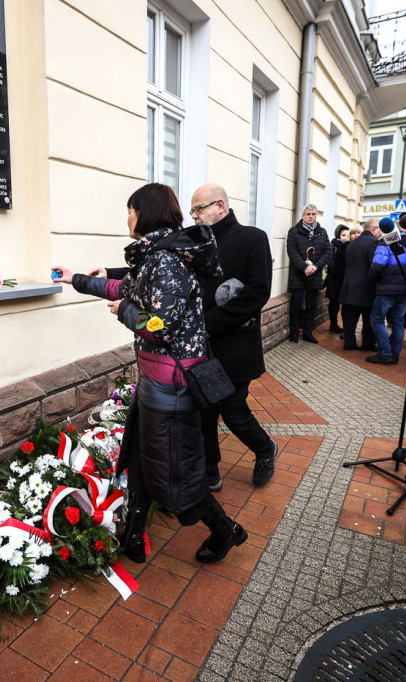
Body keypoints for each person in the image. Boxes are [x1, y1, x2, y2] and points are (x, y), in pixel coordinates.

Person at [52, 183, 247, 565]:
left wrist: (125, 309)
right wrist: (74, 278)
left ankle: (225, 530)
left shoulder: (166, 261)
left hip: (172, 387)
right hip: (156, 382)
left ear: (147, 213)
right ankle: (134, 535)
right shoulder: (155, 257)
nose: (127, 218)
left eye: (131, 210)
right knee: (143, 461)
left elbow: (161, 326)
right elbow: (120, 285)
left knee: (177, 475)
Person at [188, 183, 277, 489]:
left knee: (234, 410)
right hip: (202, 345)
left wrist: (208, 324)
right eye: (193, 210)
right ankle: (210, 470)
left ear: (221, 206)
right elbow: (156, 264)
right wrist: (109, 273)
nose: (195, 216)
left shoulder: (253, 238)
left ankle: (265, 449)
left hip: (235, 344)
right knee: (205, 412)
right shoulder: (193, 240)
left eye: (199, 209)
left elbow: (256, 293)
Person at [367, 217, 406, 364]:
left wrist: (376, 279)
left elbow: (377, 267)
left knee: (377, 319)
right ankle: (395, 354)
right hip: (405, 289)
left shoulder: (386, 243)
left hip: (387, 289)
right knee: (398, 322)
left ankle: (385, 352)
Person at [285, 205, 332, 343]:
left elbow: (328, 252)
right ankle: (294, 333)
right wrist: (304, 267)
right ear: (303, 215)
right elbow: (291, 251)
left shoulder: (322, 232)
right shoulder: (294, 231)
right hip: (298, 274)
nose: (311, 216)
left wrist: (316, 267)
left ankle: (308, 332)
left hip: (315, 275)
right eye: (308, 214)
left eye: (313, 214)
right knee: (296, 305)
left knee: (312, 306)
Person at [339, 218, 381, 351]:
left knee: (350, 318)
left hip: (350, 285)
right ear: (374, 229)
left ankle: (349, 342)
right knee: (368, 319)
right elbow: (374, 266)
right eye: (380, 229)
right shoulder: (373, 242)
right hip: (366, 287)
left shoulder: (353, 243)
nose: (381, 233)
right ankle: (368, 344)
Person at [325, 225, 350, 334]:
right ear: (338, 235)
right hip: (334, 280)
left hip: (344, 280)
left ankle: (345, 326)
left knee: (345, 304)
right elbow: (330, 264)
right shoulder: (333, 246)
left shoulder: (349, 246)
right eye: (343, 235)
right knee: (334, 303)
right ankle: (333, 324)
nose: (345, 237)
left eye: (347, 235)